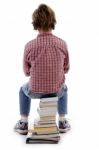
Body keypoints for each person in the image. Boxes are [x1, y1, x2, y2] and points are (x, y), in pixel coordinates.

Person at [14, 4, 70, 135]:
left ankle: (23, 123)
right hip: (57, 91)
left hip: (34, 91)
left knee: (23, 90)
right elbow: (66, 69)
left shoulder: (29, 46)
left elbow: (26, 72)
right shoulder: (62, 44)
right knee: (65, 88)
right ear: (53, 22)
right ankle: (62, 121)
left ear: (35, 23)